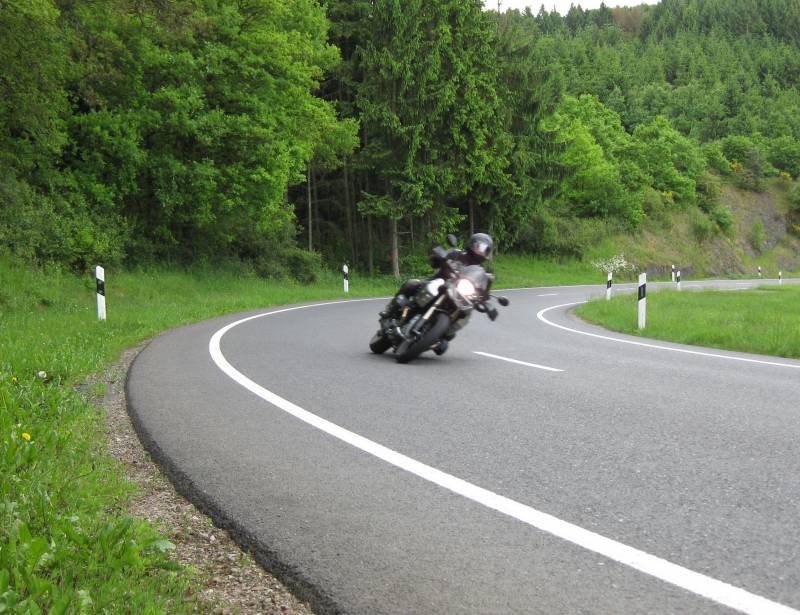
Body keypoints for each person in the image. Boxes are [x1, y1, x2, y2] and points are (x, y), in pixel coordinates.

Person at [380, 233, 494, 320]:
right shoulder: (456, 253)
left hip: (458, 296)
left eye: (484, 249)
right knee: (411, 284)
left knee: (464, 316)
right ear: (471, 245)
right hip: (436, 283)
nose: (480, 251)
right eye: (478, 247)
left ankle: (442, 334)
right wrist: (438, 257)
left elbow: (483, 292)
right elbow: (435, 262)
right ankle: (390, 309)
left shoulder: (481, 273)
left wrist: (485, 303)